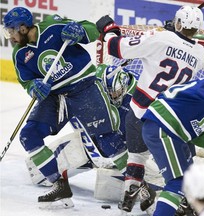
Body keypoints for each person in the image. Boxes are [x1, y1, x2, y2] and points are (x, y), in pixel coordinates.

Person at [2, 7, 122, 208]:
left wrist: (79, 31)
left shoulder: (53, 26)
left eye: (11, 31)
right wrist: (34, 87)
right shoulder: (20, 54)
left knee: (107, 140)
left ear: (22, 28)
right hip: (56, 96)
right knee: (29, 135)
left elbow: (91, 29)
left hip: (83, 87)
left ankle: (139, 186)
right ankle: (60, 188)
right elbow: (26, 82)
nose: (10, 37)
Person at [96, 5, 204, 213]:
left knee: (136, 156)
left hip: (140, 113)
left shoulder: (160, 38)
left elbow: (116, 48)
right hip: (170, 120)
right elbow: (180, 51)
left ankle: (129, 196)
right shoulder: (201, 55)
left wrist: (109, 30)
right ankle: (185, 202)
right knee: (182, 168)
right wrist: (173, 34)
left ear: (178, 22)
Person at [141, 57, 204, 216]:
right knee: (178, 182)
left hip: (169, 130)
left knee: (190, 179)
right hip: (163, 128)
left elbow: (194, 132)